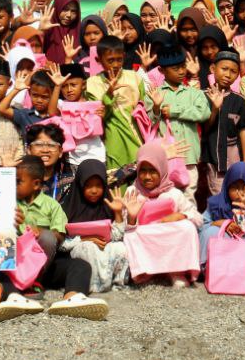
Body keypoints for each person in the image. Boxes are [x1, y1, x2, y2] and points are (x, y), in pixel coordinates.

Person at [12, 156, 109, 319]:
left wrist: (41, 233)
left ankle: (71, 298)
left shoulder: (52, 206)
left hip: (44, 267)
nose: (13, 186)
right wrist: (9, 222)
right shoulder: (9, 204)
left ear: (35, 184)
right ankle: (11, 294)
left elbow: (59, 236)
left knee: (80, 265)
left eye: (18, 182)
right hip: (16, 263)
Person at [122, 141, 203, 287]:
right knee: (131, 235)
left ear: (163, 169)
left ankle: (176, 271)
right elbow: (121, 227)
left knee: (187, 227)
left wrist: (181, 216)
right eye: (142, 171)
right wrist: (132, 218)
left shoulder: (174, 193)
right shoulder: (132, 192)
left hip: (167, 238)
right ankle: (145, 270)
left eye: (153, 171)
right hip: (145, 238)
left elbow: (198, 218)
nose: (147, 177)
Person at [59, 160, 128, 293]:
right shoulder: (68, 209)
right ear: (80, 185)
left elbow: (117, 236)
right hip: (81, 249)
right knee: (87, 247)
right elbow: (62, 244)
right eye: (88, 186)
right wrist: (85, 239)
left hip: (105, 247)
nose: (94, 190)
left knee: (120, 247)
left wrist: (118, 212)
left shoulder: (108, 204)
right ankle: (91, 285)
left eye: (98, 185)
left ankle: (118, 283)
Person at [148, 47, 210, 190]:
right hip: (165, 157)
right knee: (166, 196)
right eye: (176, 69)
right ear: (162, 70)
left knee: (189, 196)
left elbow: (204, 113)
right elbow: (149, 123)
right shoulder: (154, 93)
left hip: (188, 156)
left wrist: (175, 111)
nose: (182, 71)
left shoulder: (194, 93)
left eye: (183, 67)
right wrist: (156, 108)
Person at [85, 35, 148, 169]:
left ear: (124, 56)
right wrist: (108, 94)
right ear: (98, 60)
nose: (115, 65)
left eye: (119, 60)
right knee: (117, 181)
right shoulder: (92, 84)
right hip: (113, 140)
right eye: (110, 60)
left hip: (137, 137)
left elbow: (145, 109)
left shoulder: (134, 78)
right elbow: (99, 118)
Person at [199, 162, 245, 278]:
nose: (240, 193)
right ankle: (206, 270)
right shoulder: (216, 203)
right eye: (235, 188)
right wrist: (220, 223)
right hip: (225, 238)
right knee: (210, 231)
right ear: (226, 187)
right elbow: (201, 224)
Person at [201, 51, 245, 198]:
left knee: (237, 192)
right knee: (219, 195)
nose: (228, 74)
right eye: (224, 69)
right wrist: (215, 109)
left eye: (233, 71)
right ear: (213, 69)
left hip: (233, 155)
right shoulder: (203, 96)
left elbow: (243, 131)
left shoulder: (239, 100)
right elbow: (205, 129)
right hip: (213, 157)